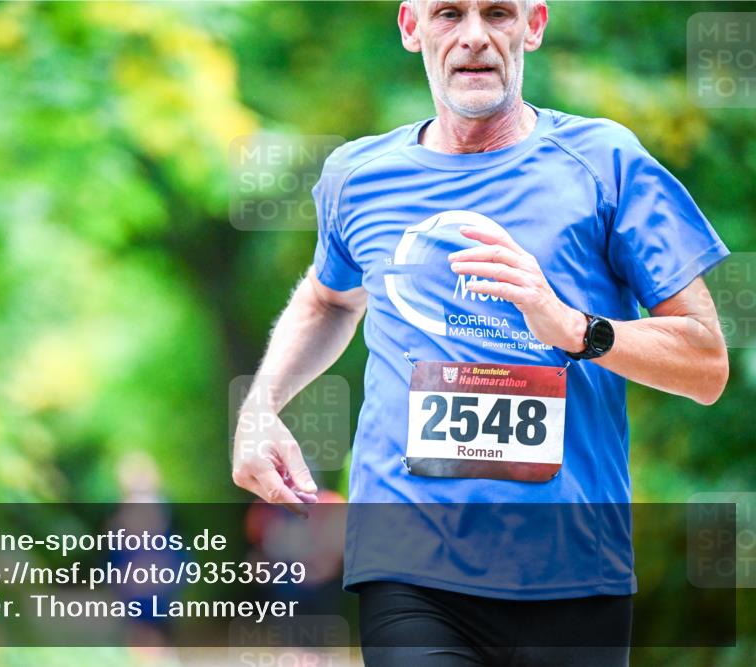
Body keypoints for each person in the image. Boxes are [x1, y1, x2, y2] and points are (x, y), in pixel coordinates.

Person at [231, 1, 731, 665]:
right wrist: (259, 408)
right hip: (408, 561)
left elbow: (705, 362)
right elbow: (328, 298)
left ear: (535, 24)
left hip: (573, 567)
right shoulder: (358, 176)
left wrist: (576, 328)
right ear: (411, 28)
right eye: (448, 14)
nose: (473, 37)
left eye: (497, 12)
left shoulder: (604, 163)